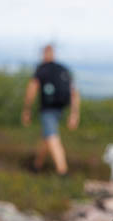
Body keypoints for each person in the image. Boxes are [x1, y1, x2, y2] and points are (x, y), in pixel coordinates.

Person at [21, 44, 80, 175]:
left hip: (48, 109)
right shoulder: (63, 69)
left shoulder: (42, 69)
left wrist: (27, 109)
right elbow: (74, 92)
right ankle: (36, 166)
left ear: (44, 53)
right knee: (46, 136)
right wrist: (74, 114)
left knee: (52, 137)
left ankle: (63, 172)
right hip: (61, 108)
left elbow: (32, 89)